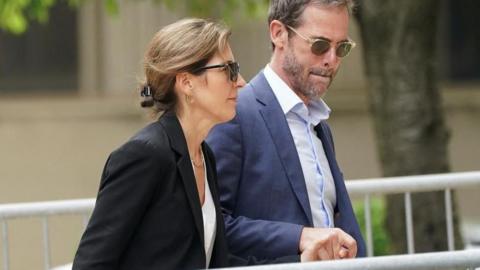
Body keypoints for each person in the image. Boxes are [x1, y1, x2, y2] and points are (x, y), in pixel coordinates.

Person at [72, 18, 357, 270]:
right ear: (186, 82)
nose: (241, 82)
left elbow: (218, 262)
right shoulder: (145, 155)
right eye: (229, 70)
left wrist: (301, 262)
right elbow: (92, 262)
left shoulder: (202, 156)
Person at [207, 0, 366, 260]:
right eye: (320, 45)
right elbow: (213, 226)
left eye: (342, 48)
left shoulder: (317, 122)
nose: (331, 60)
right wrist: (300, 237)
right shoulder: (235, 112)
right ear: (278, 34)